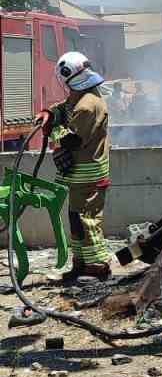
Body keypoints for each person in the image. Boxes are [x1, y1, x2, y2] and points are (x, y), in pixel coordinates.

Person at [38, 53, 112, 284]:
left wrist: (52, 132)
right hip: (79, 177)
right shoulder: (81, 96)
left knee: (87, 220)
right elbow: (66, 106)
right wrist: (50, 113)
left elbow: (72, 140)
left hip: (89, 176)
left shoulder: (88, 106)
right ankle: (81, 263)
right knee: (76, 219)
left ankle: (97, 266)